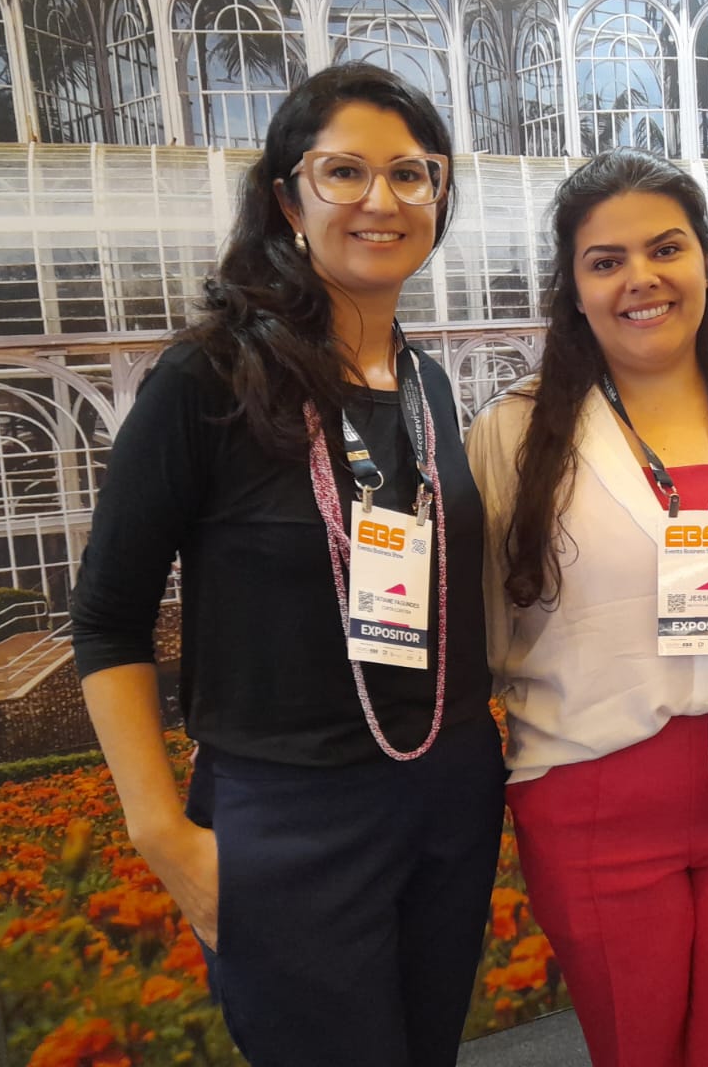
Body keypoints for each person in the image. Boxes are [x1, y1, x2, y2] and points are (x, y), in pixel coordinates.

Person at [70, 63, 505, 1066]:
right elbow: (108, 619)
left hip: (445, 793)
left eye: (411, 174)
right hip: (291, 813)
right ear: (286, 197)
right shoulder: (207, 378)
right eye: (343, 172)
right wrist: (162, 836)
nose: (381, 201)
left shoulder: (428, 382)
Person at [467, 148, 708, 1067]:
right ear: (575, 287)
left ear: (704, 261)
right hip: (592, 802)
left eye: (665, 248)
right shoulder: (512, 435)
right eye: (606, 261)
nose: (641, 279)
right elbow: (481, 630)